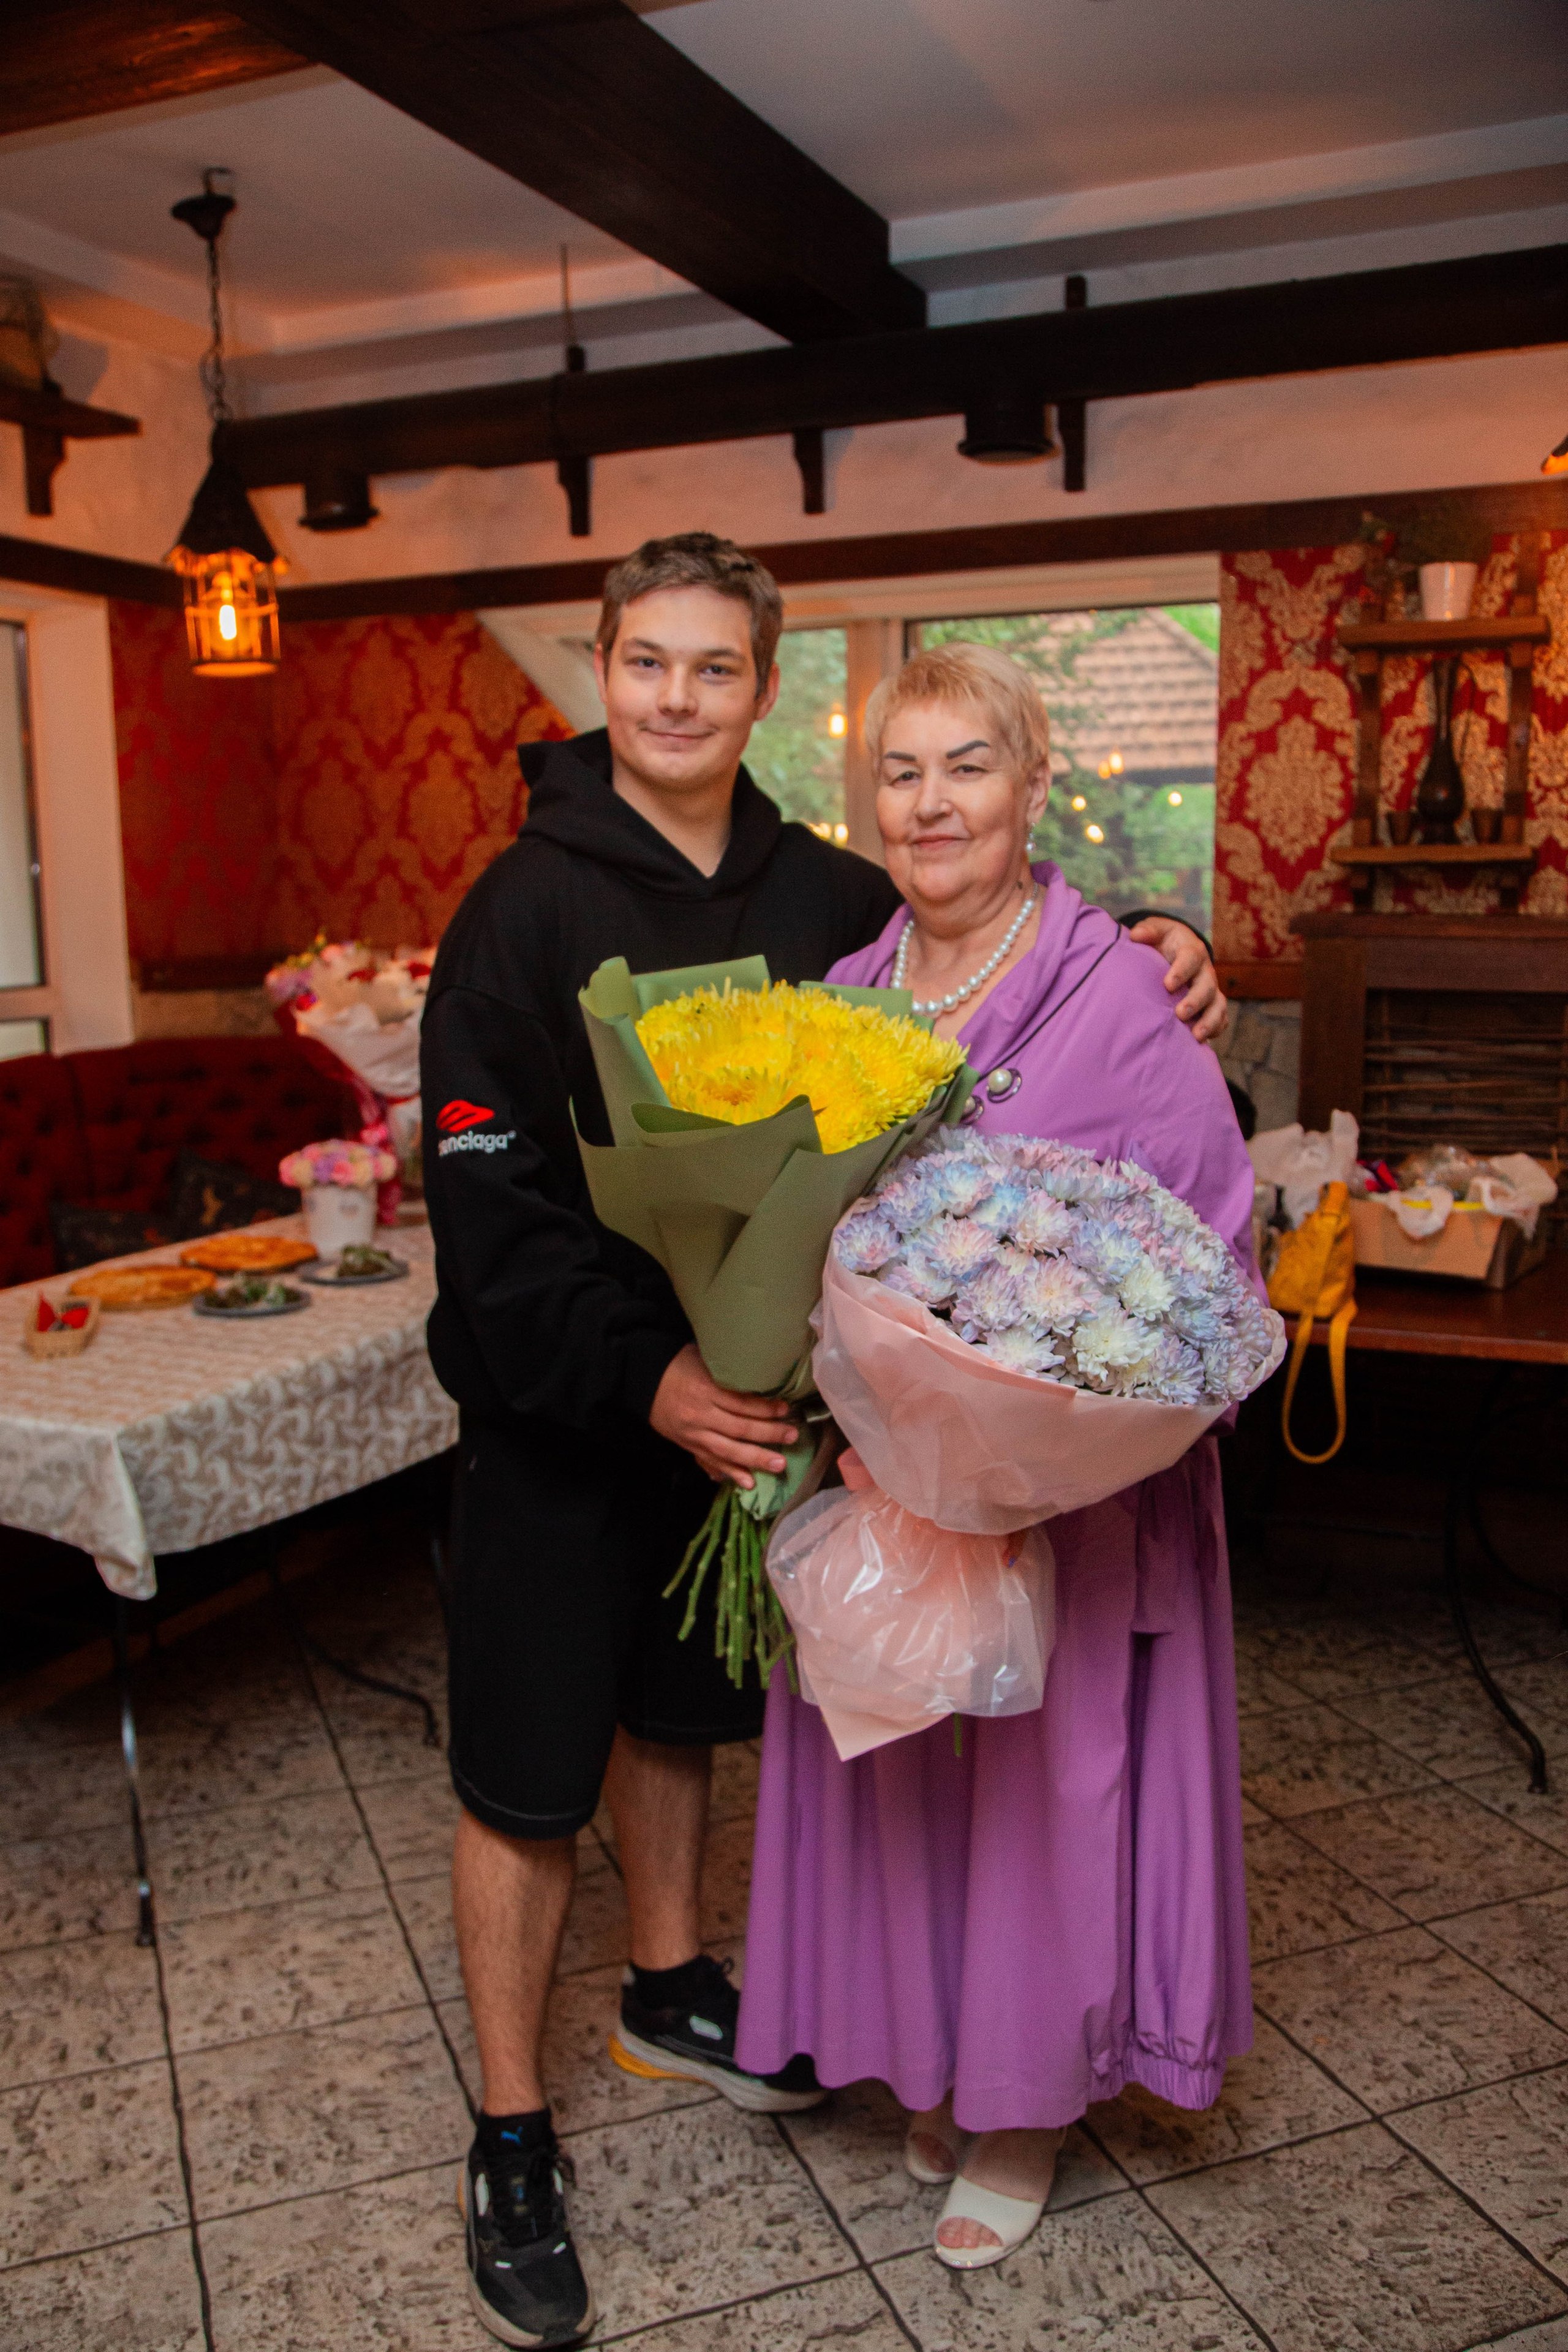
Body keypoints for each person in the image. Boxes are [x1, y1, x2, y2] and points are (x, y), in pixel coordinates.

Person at [421, 537, 1229, 2347]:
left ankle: (667, 1990)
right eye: (648, 663)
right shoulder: (515, 913)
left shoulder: (825, 896)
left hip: (757, 1437)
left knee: (688, 1716)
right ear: (605, 672)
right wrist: (644, 1381)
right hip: (575, 1418)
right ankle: (509, 2128)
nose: (679, 697)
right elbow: (485, 1213)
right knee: (522, 1772)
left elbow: (1000, 923)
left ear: (767, 693)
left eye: (718, 668)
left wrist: (1174, 946)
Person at [735, 639, 1257, 2272]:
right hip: (890, 1485)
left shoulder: (1124, 990)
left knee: (1039, 1781)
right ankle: (933, 2048)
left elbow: (1206, 1253)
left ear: (1034, 789)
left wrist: (1045, 1407)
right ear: (866, 801)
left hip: (1072, 1498)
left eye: (969, 765)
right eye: (902, 770)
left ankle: (1024, 2100)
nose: (933, 799)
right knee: (903, 1775)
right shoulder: (841, 1003)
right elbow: (785, 1241)